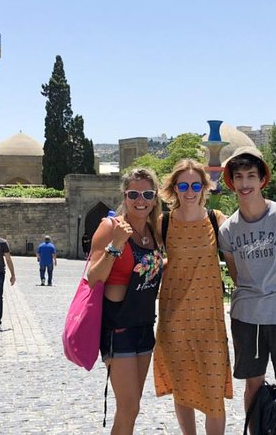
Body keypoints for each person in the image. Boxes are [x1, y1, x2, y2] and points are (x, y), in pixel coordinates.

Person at [217, 147, 276, 435]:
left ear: (262, 180)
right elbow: (237, 275)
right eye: (238, 177)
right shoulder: (228, 231)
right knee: (253, 385)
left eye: (251, 176)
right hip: (248, 318)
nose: (245, 183)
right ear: (231, 182)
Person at [153, 159, 233, 435]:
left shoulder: (216, 220)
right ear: (174, 188)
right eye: (184, 185)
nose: (190, 191)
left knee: (214, 394)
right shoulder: (163, 223)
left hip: (210, 323)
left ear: (204, 188)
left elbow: (241, 251)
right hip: (174, 321)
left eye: (196, 185)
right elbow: (148, 258)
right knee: (182, 388)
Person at [87, 167, 164, 434]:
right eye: (133, 194)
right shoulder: (111, 228)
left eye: (147, 194)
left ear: (155, 198)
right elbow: (94, 277)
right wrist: (116, 245)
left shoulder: (153, 232)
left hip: (144, 326)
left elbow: (151, 267)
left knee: (132, 407)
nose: (140, 200)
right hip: (118, 329)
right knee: (128, 407)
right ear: (125, 196)